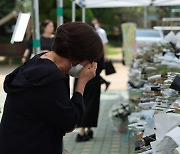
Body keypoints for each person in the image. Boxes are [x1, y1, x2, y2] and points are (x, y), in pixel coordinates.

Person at [0, 22, 103, 154]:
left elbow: (57, 115)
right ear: (78, 57)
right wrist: (81, 82)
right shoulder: (50, 78)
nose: (91, 66)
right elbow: (69, 122)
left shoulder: (39, 61)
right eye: (90, 61)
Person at [74, 23, 104, 142]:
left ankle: (82, 131)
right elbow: (101, 65)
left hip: (79, 78)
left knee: (80, 102)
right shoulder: (98, 46)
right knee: (91, 105)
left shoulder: (77, 46)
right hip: (93, 78)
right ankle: (88, 130)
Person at [91, 18, 111, 91]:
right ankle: (105, 82)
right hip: (94, 54)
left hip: (99, 54)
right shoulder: (91, 31)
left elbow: (104, 43)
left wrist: (105, 54)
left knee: (95, 72)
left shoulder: (101, 32)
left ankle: (104, 82)